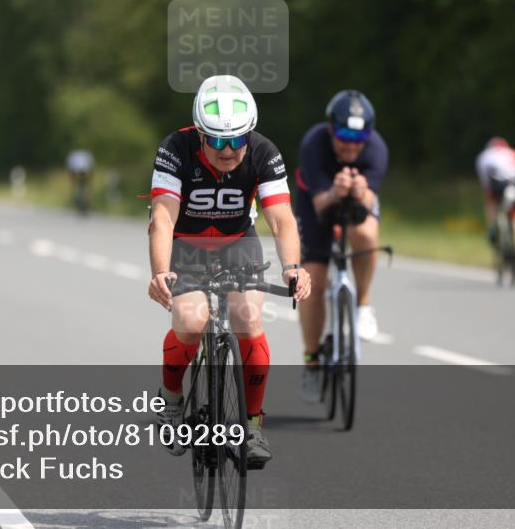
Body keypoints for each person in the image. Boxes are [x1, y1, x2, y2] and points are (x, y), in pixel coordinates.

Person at [147, 75, 311, 468]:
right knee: (190, 319)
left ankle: (252, 426)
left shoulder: (264, 151)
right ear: (200, 134)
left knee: (248, 317)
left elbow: (282, 219)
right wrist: (160, 272)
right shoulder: (175, 149)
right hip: (185, 246)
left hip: (237, 243)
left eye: (237, 141)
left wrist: (292, 267)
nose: (228, 150)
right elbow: (163, 220)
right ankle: (170, 398)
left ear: (249, 135)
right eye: (218, 141)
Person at [293, 91, 388, 403]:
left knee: (366, 236)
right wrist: (335, 191)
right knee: (313, 281)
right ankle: (311, 361)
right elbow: (320, 205)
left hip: (354, 200)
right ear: (331, 130)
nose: (351, 144)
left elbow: (371, 201)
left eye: (359, 137)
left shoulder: (375, 149)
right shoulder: (314, 144)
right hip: (316, 201)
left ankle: (363, 305)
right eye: (344, 136)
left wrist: (361, 193)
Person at [475, 137, 515, 271]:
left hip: (496, 185)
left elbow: (485, 183)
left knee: (491, 202)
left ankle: (494, 226)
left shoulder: (483, 156)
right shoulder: (513, 153)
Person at [66, 149, 94, 214]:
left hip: (76, 169)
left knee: (74, 185)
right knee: (87, 186)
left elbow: (70, 168)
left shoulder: (73, 154)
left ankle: (77, 200)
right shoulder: (86, 154)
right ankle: (86, 201)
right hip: (85, 170)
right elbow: (91, 166)